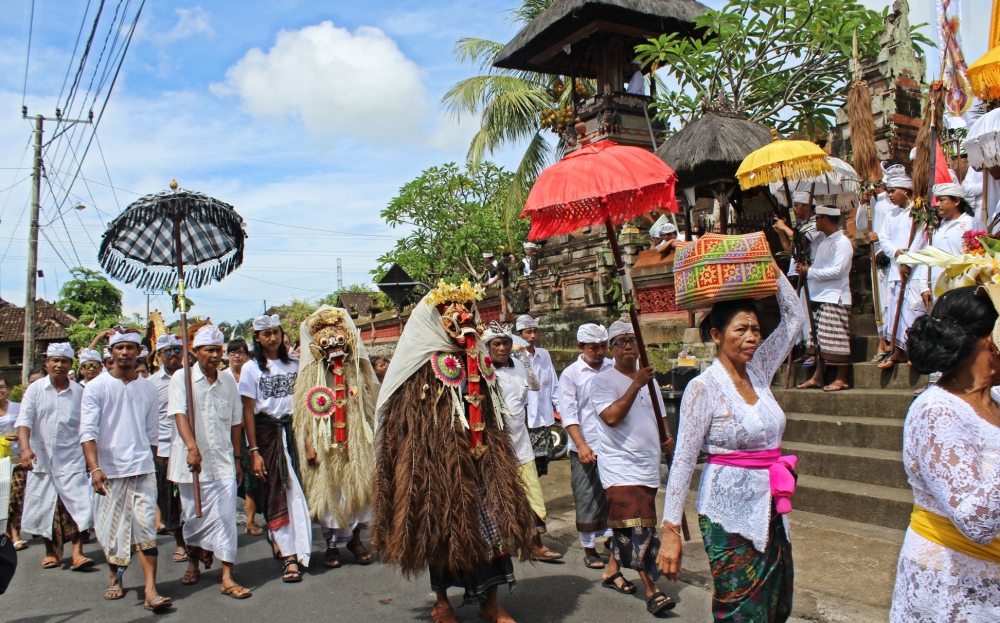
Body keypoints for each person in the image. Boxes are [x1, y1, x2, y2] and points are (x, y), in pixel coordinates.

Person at [371, 281, 535, 623]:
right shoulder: (419, 364)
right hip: (438, 465)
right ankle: (442, 602)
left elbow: (492, 407)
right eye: (451, 314)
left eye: (465, 312)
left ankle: (491, 602)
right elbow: (407, 419)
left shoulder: (479, 359)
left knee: (493, 524)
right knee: (441, 528)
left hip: (484, 458)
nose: (461, 319)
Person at [659, 259, 803, 622]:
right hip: (726, 512)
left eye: (756, 328)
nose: (753, 336)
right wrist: (671, 530)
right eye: (741, 329)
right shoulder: (702, 388)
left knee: (775, 603)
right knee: (740, 608)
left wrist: (771, 268)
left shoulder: (759, 370)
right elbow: (682, 461)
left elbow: (795, 319)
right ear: (716, 335)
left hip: (771, 505)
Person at [890, 286, 1000, 622]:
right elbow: (975, 520)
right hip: (951, 585)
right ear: (989, 342)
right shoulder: (936, 411)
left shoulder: (996, 399)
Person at [80, 326, 171, 611]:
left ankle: (150, 590)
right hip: (109, 472)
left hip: (142, 469)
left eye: (130, 347)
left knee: (145, 529)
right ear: (111, 353)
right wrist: (94, 469)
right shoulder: (97, 387)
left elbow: (153, 433)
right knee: (111, 532)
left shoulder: (147, 387)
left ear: (138, 352)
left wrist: (155, 465)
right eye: (119, 347)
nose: (125, 352)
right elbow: (88, 432)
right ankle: (115, 578)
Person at [592, 321, 675, 616]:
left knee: (627, 525)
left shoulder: (650, 380)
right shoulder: (602, 381)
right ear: (611, 349)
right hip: (620, 468)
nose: (628, 345)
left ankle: (611, 571)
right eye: (620, 341)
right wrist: (636, 383)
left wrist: (666, 438)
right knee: (640, 527)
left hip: (647, 466)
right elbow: (612, 417)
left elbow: (660, 414)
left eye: (631, 340)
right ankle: (653, 591)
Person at [168, 325, 251, 599]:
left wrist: (238, 459)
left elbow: (237, 422)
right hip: (192, 464)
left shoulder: (228, 381)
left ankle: (227, 575)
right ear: (196, 352)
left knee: (227, 518)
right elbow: (179, 414)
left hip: (224, 461)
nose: (215, 356)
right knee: (193, 518)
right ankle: (194, 560)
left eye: (219, 350)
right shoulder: (182, 379)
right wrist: (192, 447)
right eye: (209, 350)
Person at [292, 307, 378, 569]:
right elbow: (303, 415)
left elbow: (368, 407)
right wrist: (309, 444)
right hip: (323, 443)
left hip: (356, 443)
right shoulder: (310, 375)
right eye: (326, 343)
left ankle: (355, 539)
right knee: (329, 492)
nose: (334, 348)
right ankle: (331, 546)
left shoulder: (356, 370)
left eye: (339, 340)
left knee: (359, 489)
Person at [239, 314, 310, 583]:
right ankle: (289, 557)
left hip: (293, 432)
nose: (272, 337)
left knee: (297, 492)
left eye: (276, 331)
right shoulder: (250, 369)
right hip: (266, 435)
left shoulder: (294, 363)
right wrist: (253, 451)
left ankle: (298, 548)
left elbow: (305, 402)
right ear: (257, 337)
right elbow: (247, 411)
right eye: (266, 333)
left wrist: (307, 441)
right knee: (274, 493)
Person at [483, 321, 561, 563]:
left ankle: (535, 544)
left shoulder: (518, 365)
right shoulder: (484, 370)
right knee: (500, 495)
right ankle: (505, 544)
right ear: (488, 347)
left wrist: (525, 361)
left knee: (531, 493)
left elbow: (535, 387)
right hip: (496, 445)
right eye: (497, 344)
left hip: (521, 441)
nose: (502, 348)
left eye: (506, 342)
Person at [17, 343, 93, 570]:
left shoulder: (80, 391)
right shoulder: (35, 389)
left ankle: (78, 553)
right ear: (47, 363)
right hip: (42, 458)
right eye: (55, 361)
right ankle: (51, 552)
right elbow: (24, 421)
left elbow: (87, 427)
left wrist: (91, 459)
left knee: (78, 506)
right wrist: (25, 449)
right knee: (45, 507)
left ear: (71, 365)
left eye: (64, 361)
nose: (59, 365)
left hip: (72, 458)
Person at [558, 323, 617, 575]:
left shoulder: (614, 368)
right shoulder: (572, 374)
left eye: (604, 346)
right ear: (580, 347)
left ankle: (613, 537)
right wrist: (581, 444)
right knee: (586, 495)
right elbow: (569, 413)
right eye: (594, 348)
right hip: (586, 443)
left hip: (613, 444)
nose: (600, 352)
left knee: (612, 494)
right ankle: (589, 548)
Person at [796, 205, 854, 392]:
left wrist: (810, 271)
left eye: (818, 218)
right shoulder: (823, 243)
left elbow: (839, 270)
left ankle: (842, 378)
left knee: (837, 339)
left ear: (826, 220)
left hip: (835, 296)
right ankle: (817, 376)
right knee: (819, 340)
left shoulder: (842, 242)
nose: (816, 222)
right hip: (819, 295)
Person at [878, 166, 928, 368]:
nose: (889, 195)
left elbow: (921, 238)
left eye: (893, 191)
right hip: (895, 267)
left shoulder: (918, 212)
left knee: (911, 311)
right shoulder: (890, 215)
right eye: (889, 191)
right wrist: (898, 254)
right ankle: (897, 351)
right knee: (893, 310)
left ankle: (914, 352)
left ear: (906, 191)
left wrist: (908, 260)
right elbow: (883, 238)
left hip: (914, 268)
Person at [773, 191, 823, 367]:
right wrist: (780, 231)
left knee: (808, 312)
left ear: (806, 206)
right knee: (799, 311)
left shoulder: (815, 225)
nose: (794, 209)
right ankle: (803, 348)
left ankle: (812, 350)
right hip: (796, 272)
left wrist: (787, 229)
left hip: (811, 271)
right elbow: (790, 248)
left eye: (797, 206)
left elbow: (802, 241)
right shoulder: (801, 226)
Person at [149, 333, 186, 560]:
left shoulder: (193, 377)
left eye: (177, 350)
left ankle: (197, 543)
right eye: (167, 351)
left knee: (191, 499)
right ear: (159, 356)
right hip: (165, 449)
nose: (173, 355)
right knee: (170, 501)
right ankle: (180, 543)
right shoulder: (150, 384)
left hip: (191, 447)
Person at [222, 338, 262, 537]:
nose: (236, 355)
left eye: (240, 352)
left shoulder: (254, 374)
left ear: (247, 355)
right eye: (232, 352)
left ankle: (250, 521)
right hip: (227, 434)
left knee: (250, 479)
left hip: (251, 432)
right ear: (227, 355)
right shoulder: (222, 377)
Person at [514, 315, 559, 477]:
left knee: (541, 465)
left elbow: (553, 384)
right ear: (519, 335)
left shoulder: (544, 355)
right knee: (526, 467)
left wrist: (560, 407)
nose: (532, 336)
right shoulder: (515, 358)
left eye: (535, 332)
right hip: (526, 420)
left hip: (543, 418)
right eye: (528, 332)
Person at [857, 172, 894, 362]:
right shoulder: (877, 202)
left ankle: (896, 343)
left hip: (895, 256)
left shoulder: (901, 204)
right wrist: (864, 204)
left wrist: (881, 237)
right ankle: (883, 341)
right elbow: (860, 224)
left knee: (892, 300)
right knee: (880, 299)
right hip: (878, 256)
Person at [0, 377, 26, 551]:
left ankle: (16, 533)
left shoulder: (17, 407)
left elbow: (26, 427)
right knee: (4, 498)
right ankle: (8, 534)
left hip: (17, 456)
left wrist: (18, 437)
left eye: (1, 387)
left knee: (16, 495)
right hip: (0, 459)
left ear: (8, 389)